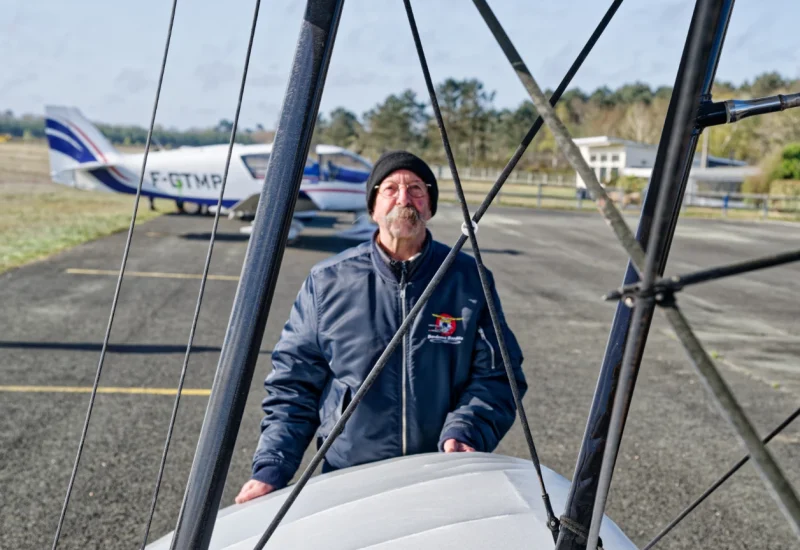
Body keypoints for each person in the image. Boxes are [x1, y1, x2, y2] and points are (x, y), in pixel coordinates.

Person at [236, 150, 526, 504]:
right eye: (390, 189)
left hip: (438, 474)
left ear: (430, 207)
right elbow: (294, 384)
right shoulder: (327, 282)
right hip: (347, 477)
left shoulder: (468, 279)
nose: (404, 199)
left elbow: (498, 376)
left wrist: (466, 431)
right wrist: (273, 467)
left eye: (416, 189)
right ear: (373, 207)